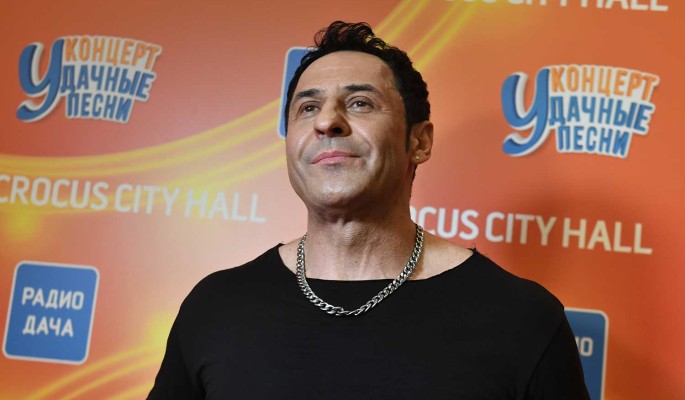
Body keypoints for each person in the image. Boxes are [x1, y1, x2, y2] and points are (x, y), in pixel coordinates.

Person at [149, 21, 589, 399]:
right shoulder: (215, 307)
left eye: (360, 103)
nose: (327, 122)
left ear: (419, 142)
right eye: (308, 108)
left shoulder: (522, 319)